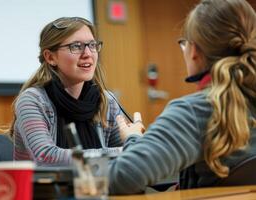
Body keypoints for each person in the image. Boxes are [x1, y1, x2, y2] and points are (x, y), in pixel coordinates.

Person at [108, 0, 256, 195]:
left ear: (193, 51)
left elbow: (122, 178)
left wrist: (133, 138)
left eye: (183, 43)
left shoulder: (195, 111)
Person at [9, 17, 126, 166]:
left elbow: (128, 156)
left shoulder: (106, 100)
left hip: (96, 187)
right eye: (76, 46)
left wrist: (136, 142)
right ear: (50, 57)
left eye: (92, 45)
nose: (88, 53)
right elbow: (46, 157)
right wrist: (121, 152)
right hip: (43, 189)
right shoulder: (32, 100)